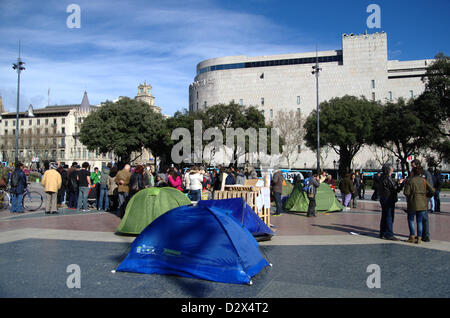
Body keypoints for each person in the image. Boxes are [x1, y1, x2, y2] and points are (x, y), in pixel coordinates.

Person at [404, 166, 435, 244]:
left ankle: (412, 236)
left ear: (413, 172)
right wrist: (427, 195)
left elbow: (406, 192)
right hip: (423, 203)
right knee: (420, 221)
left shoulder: (410, 181)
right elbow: (432, 190)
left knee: (411, 219)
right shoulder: (423, 180)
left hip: (412, 202)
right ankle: (420, 238)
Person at [378, 163, 404, 241]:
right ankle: (389, 234)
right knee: (389, 216)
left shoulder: (382, 178)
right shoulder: (388, 178)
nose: (393, 170)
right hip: (389, 199)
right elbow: (395, 188)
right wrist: (401, 184)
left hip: (383, 198)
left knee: (384, 216)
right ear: (389, 170)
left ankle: (383, 232)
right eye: (392, 169)